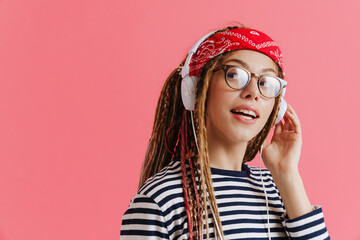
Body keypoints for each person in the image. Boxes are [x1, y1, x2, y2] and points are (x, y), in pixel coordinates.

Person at [120, 26, 330, 240]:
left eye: (266, 83)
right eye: (235, 75)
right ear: (196, 89)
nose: (253, 93)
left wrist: (287, 174)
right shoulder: (160, 199)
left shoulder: (278, 187)